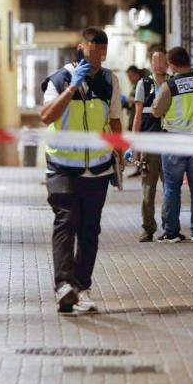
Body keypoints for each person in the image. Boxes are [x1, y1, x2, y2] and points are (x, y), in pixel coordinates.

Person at [40, 27, 123, 314]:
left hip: (97, 168)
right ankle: (64, 286)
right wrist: (71, 88)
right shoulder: (59, 79)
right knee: (66, 220)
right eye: (93, 50)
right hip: (63, 166)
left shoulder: (110, 80)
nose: (98, 57)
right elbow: (46, 116)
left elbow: (114, 120)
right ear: (80, 48)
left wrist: (121, 151)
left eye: (103, 51)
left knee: (90, 230)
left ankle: (81, 287)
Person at [152, 46, 193, 243]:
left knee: (172, 188)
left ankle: (171, 232)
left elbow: (156, 110)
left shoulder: (170, 85)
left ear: (172, 65)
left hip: (174, 141)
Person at [129, 47, 170, 242]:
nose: (159, 64)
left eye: (163, 60)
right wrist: (134, 147)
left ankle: (169, 227)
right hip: (149, 143)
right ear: (151, 63)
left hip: (170, 143)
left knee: (170, 188)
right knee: (149, 188)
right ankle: (148, 228)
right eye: (156, 60)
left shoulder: (173, 81)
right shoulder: (143, 84)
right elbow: (137, 116)